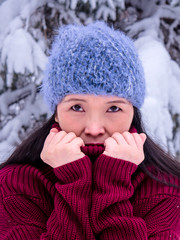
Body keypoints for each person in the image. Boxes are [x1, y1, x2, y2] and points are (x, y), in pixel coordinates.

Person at [0, 21, 179, 240]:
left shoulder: (166, 189)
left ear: (133, 112)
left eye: (113, 108)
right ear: (56, 112)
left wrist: (113, 182)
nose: (94, 129)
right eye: (77, 107)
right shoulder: (16, 185)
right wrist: (74, 182)